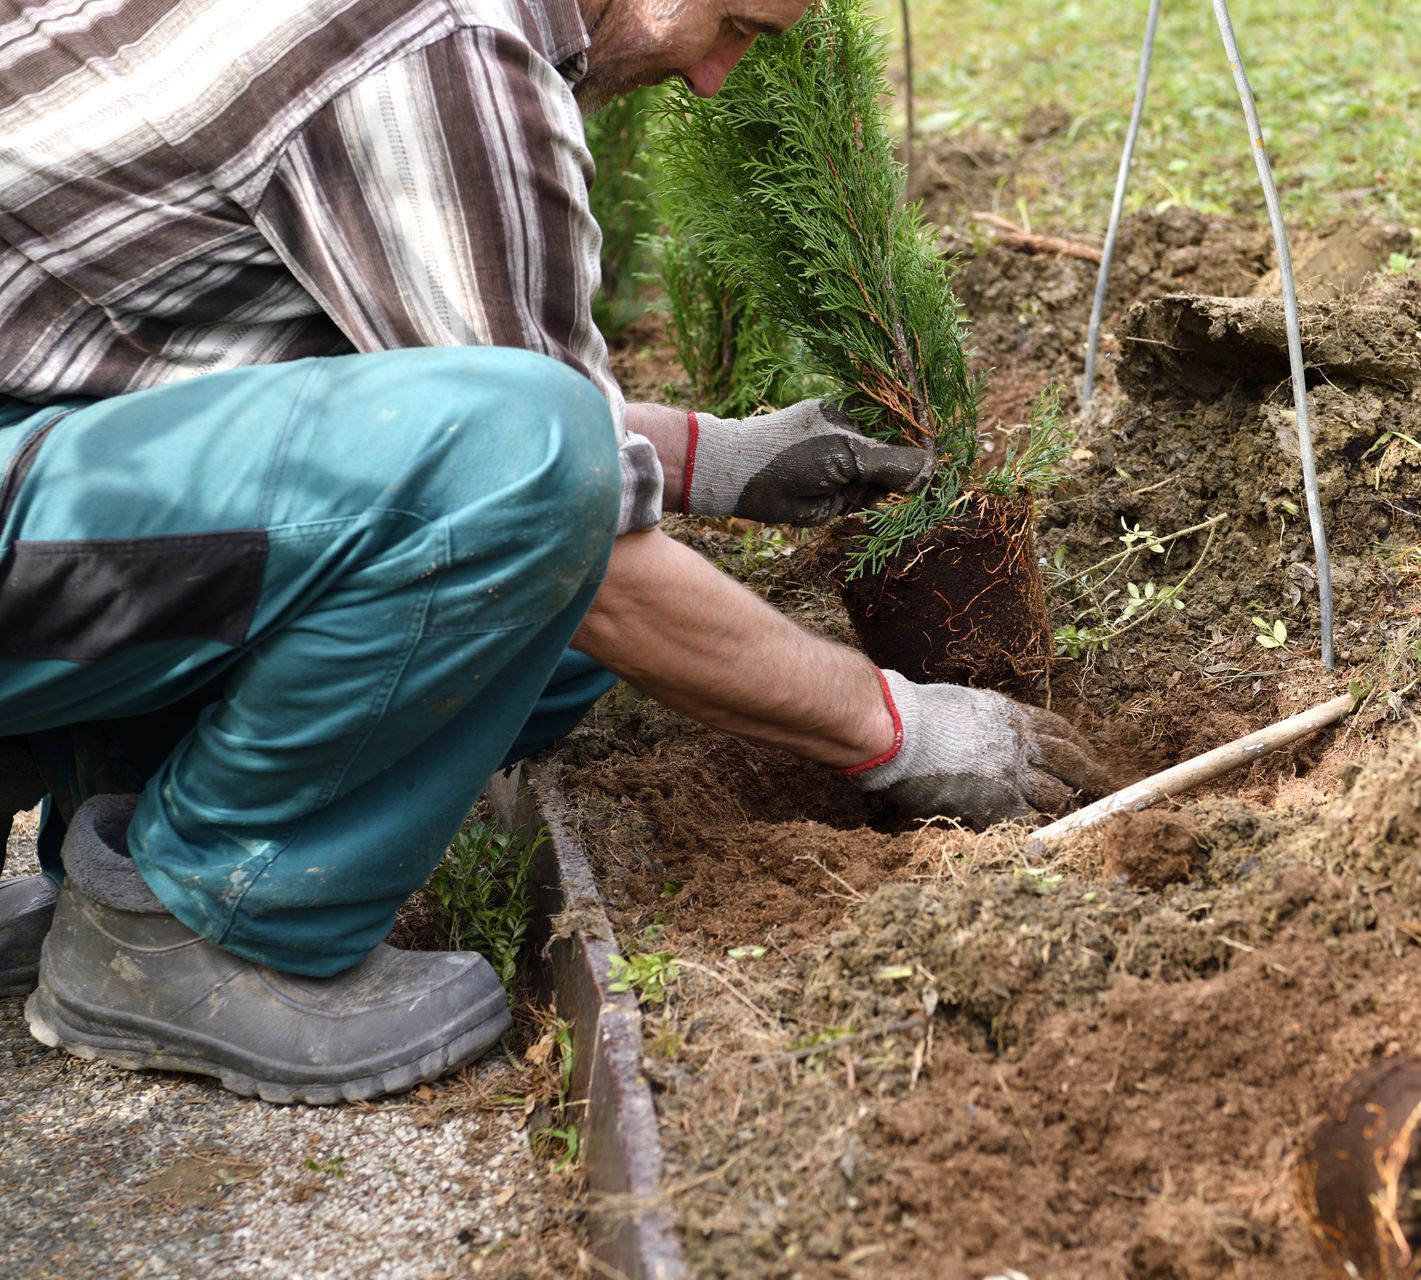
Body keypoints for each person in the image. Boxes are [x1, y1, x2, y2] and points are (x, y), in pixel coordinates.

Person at [0, 0, 1104, 1104]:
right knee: (547, 555)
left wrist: (709, 461)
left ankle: (121, 836)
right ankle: (198, 925)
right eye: (736, 28)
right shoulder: (435, 45)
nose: (716, 79)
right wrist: (896, 727)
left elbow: (299, 373)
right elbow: (523, 478)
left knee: (533, 620)